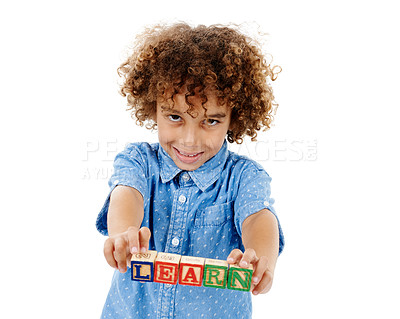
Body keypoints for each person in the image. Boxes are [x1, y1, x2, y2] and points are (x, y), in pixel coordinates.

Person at [96, 22, 285, 319]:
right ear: (153, 108)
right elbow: (126, 194)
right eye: (175, 116)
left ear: (234, 118)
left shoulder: (243, 177)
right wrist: (124, 233)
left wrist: (260, 258)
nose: (189, 140)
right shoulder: (138, 161)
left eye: (211, 121)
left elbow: (258, 218)